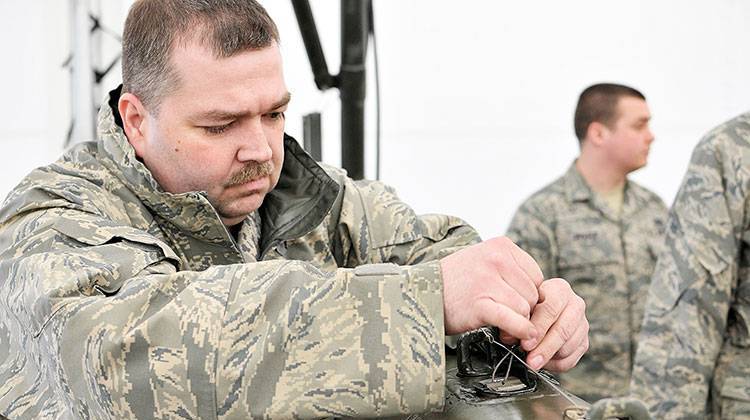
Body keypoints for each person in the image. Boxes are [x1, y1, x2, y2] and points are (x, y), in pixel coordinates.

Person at [0, 1, 588, 418]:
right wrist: (424, 301)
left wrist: (524, 309)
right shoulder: (52, 218)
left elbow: (436, 252)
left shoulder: (317, 200)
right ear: (136, 119)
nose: (259, 149)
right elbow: (141, 360)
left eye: (274, 114)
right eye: (220, 124)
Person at [505, 83, 667, 402]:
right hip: (577, 403)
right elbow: (517, 328)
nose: (651, 135)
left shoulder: (656, 211)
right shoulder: (542, 215)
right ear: (598, 134)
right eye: (639, 125)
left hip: (653, 401)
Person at [630, 112, 750, 419]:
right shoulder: (734, 149)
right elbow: (691, 307)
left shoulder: (650, 206)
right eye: (638, 124)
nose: (652, 135)